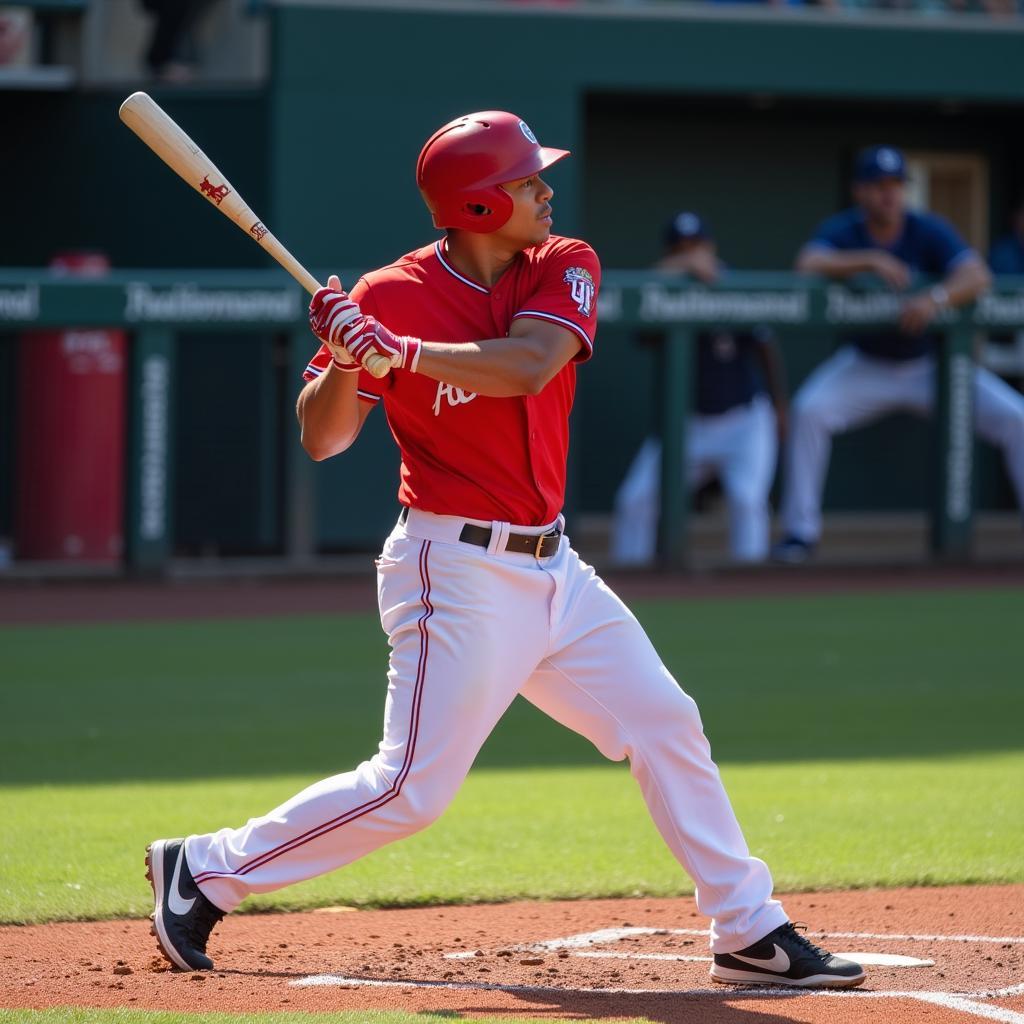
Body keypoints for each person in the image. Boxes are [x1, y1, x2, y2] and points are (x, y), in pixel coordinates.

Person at [144, 111, 865, 990]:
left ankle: (748, 929)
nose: (546, 191)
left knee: (664, 721)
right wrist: (342, 358)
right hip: (455, 570)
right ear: (480, 206)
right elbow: (323, 439)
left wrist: (398, 353)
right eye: (527, 182)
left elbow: (530, 363)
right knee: (411, 789)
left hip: (556, 568)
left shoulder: (566, 263)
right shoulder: (386, 294)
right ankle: (205, 869)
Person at [774, 144, 1024, 563]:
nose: (889, 194)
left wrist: (936, 299)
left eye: (895, 185)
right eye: (879, 185)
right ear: (860, 191)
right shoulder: (846, 230)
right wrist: (869, 260)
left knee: (1017, 418)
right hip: (866, 365)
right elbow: (808, 263)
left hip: (931, 366)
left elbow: (977, 274)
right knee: (810, 410)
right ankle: (800, 534)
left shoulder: (926, 228)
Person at [611, 212, 787, 565]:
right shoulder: (658, 292)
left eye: (697, 247)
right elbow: (642, 333)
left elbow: (766, 346)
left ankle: (747, 591)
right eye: (680, 249)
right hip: (686, 427)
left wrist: (781, 405)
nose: (691, 255)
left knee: (747, 500)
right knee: (635, 500)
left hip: (744, 420)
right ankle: (626, 590)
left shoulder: (730, 285)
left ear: (712, 248)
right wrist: (674, 271)